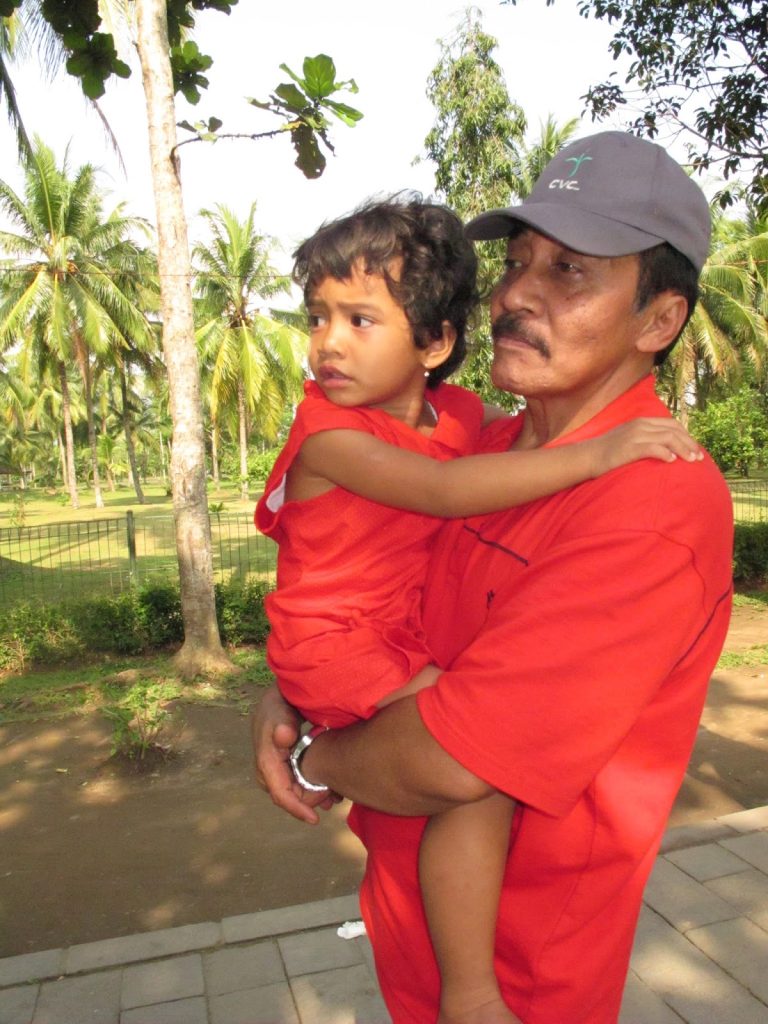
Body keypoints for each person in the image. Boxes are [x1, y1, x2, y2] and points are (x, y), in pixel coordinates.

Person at [253, 133, 734, 1024]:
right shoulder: (483, 447)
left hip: (515, 980)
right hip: (409, 925)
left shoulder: (653, 507)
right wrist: (292, 681)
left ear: (659, 321)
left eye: (571, 272)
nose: (515, 295)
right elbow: (355, 568)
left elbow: (451, 762)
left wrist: (319, 754)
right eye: (517, 264)